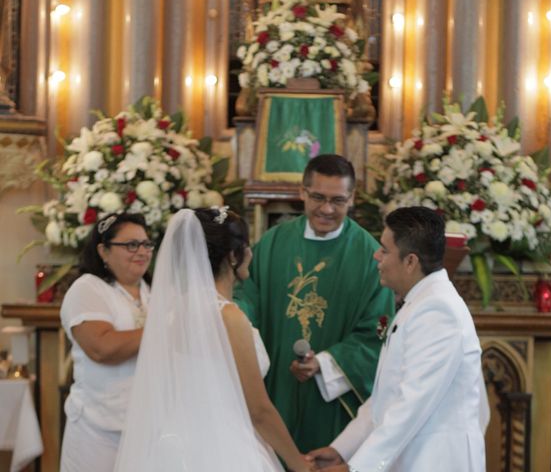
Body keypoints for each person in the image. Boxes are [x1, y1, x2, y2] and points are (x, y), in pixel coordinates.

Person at [114, 207, 314, 472]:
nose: (251, 254)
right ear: (233, 256)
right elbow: (258, 410)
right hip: (225, 447)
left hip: (175, 446)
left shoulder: (174, 312)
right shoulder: (229, 317)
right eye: (247, 247)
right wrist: (298, 463)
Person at [234, 154, 395, 451]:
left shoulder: (371, 257)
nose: (327, 209)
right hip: (276, 388)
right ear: (302, 192)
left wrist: (323, 364)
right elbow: (247, 300)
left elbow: (377, 335)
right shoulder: (273, 243)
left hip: (332, 404)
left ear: (352, 198)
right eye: (318, 197)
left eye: (338, 200)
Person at [307, 206, 486, 471]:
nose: (376, 255)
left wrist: (356, 468)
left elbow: (411, 403)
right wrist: (342, 450)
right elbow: (386, 395)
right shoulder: (420, 302)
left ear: (411, 261)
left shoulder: (438, 310)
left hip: (437, 461)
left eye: (385, 250)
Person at [59, 213, 153, 472]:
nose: (142, 252)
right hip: (97, 431)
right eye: (131, 245)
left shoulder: (152, 291)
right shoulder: (87, 289)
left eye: (146, 244)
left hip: (145, 427)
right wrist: (163, 329)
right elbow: (102, 348)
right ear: (103, 250)